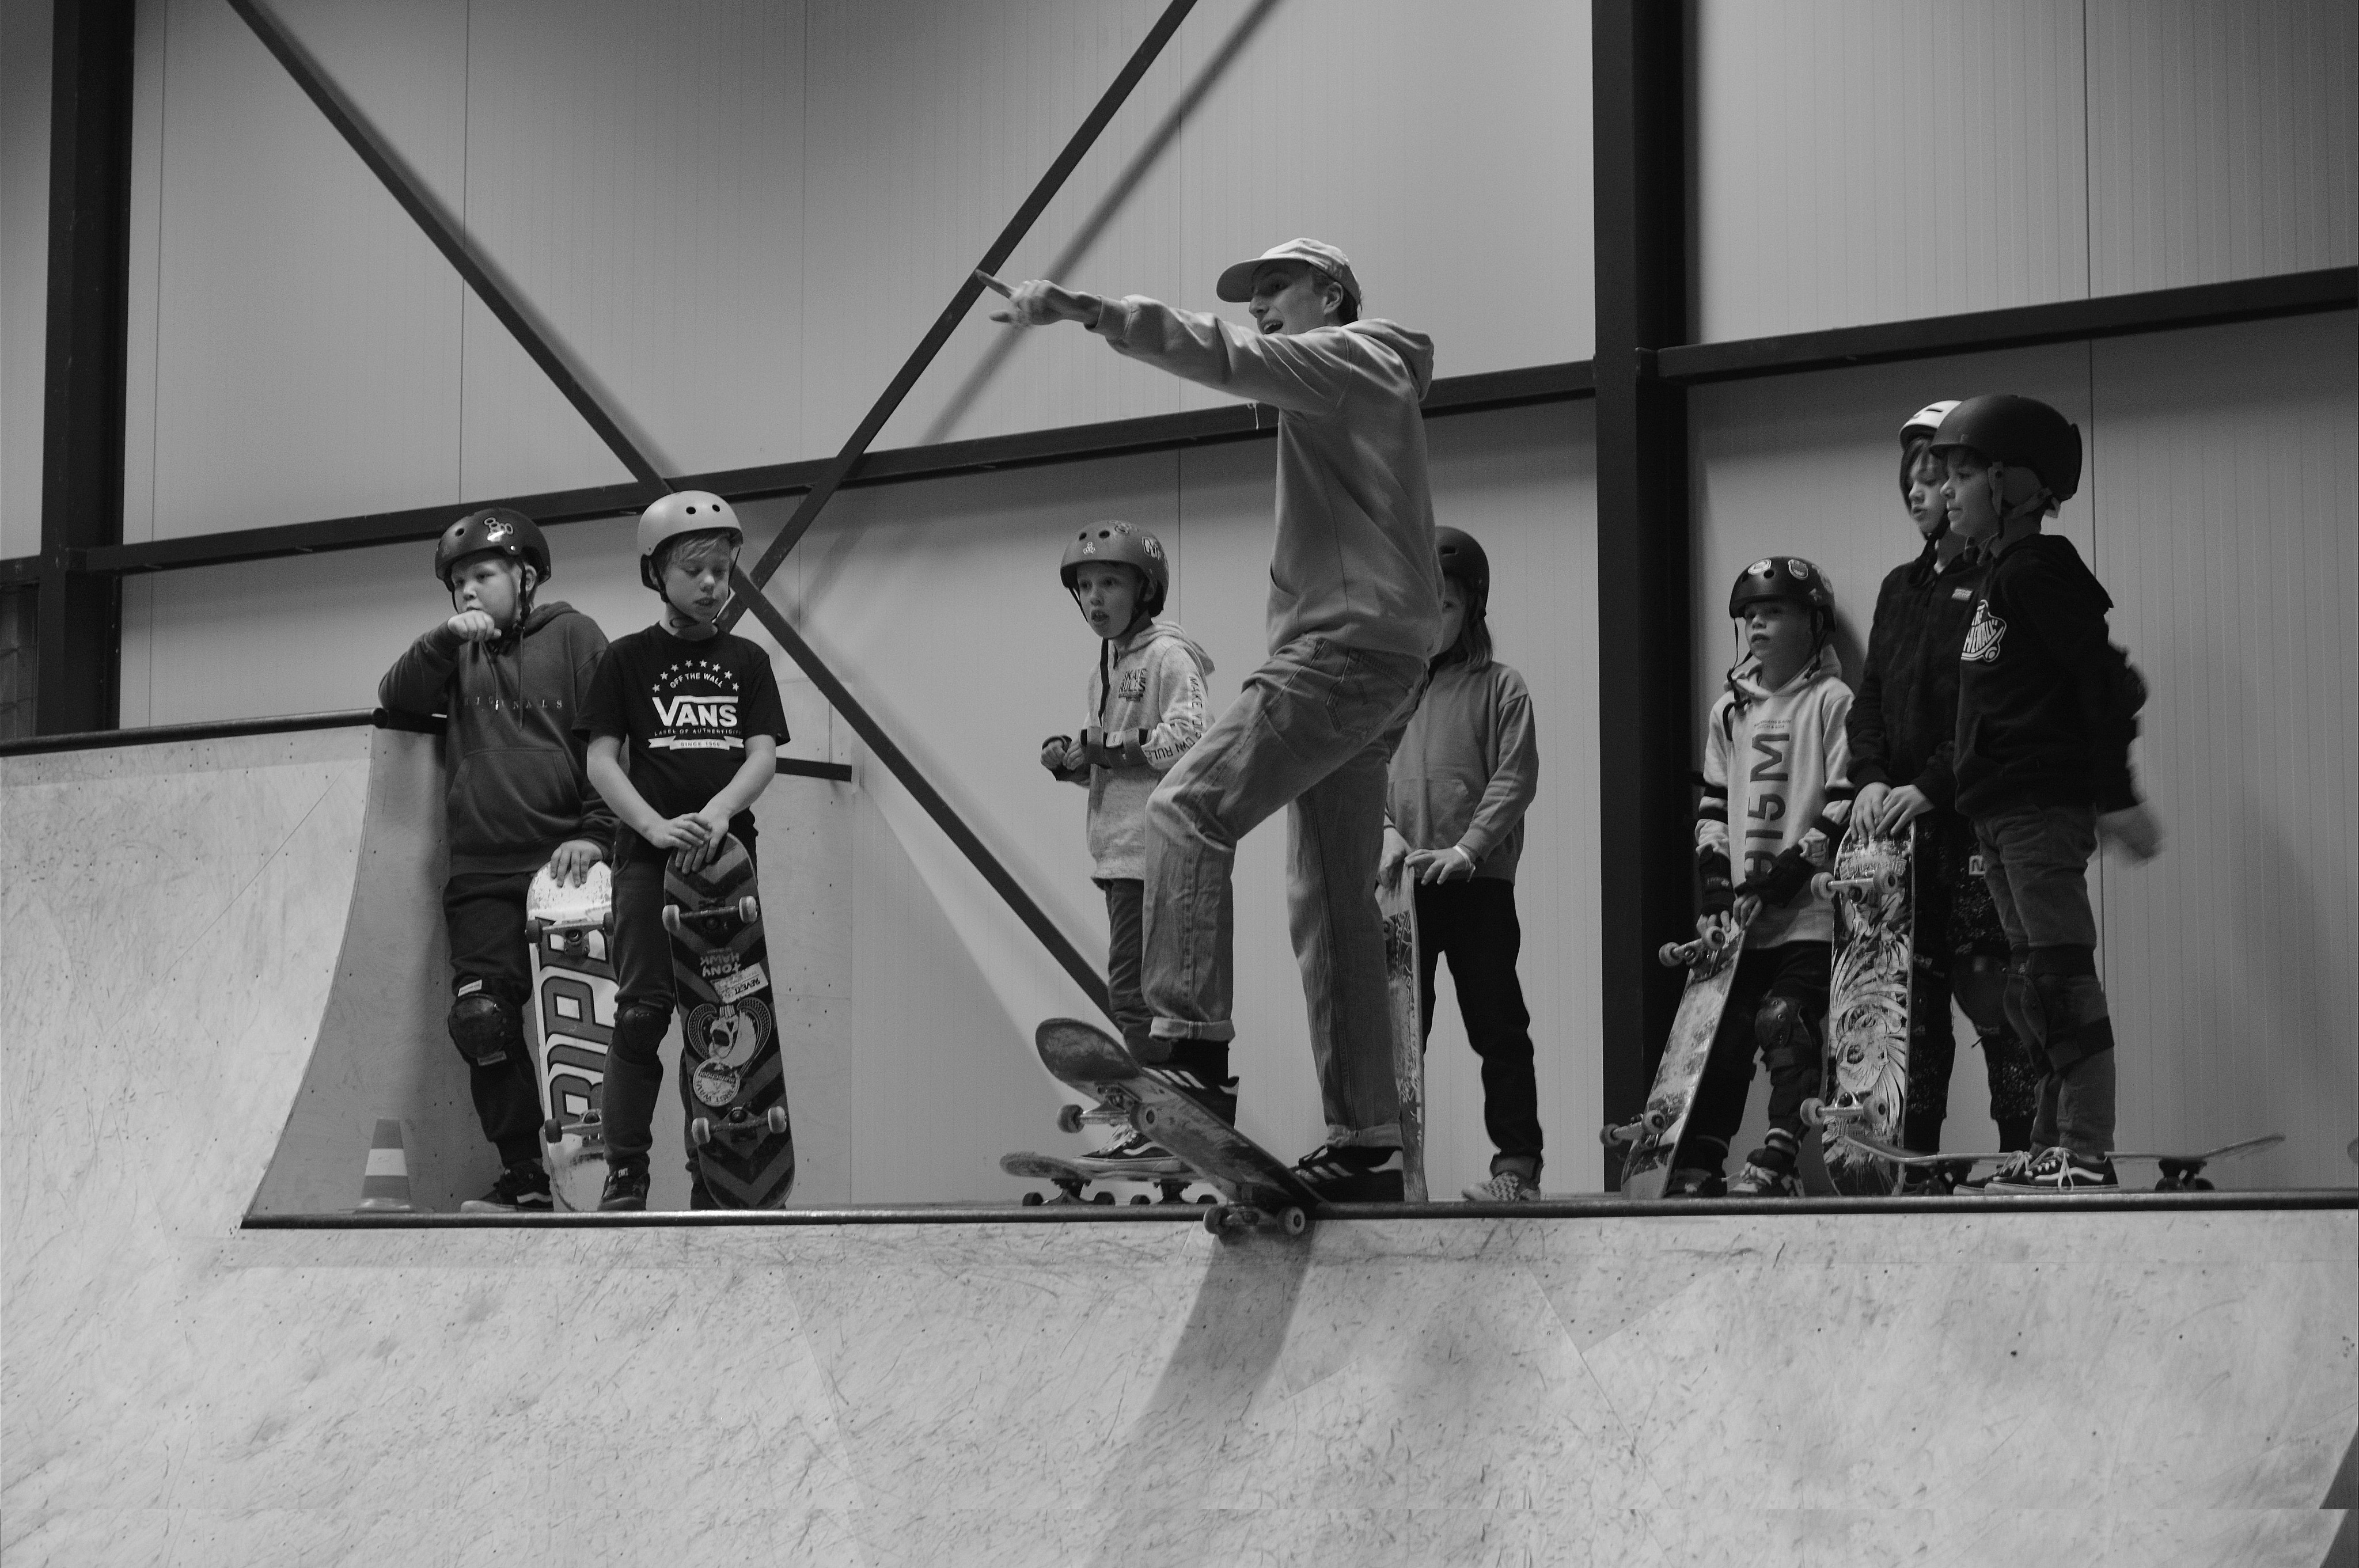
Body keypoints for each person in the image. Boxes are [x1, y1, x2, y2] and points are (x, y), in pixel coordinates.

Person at [990, 239, 1443, 1200]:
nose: (1261, 307)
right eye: (1255, 294)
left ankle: (1192, 1055)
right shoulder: (1346, 393)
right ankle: (1366, 1143)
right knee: (1333, 907)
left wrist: (1088, 311)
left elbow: (1226, 354)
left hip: (1341, 653)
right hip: (1380, 663)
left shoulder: (1354, 357)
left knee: (1187, 807)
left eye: (1275, 289)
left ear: (1333, 293)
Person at [1932, 395, 2160, 1192]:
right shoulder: (1994, 576)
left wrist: (2117, 795)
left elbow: (2103, 682)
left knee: (2058, 975)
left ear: (2017, 483)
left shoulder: (2040, 570)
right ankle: (2048, 1141)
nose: (1946, 489)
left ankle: (2086, 1147)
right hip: (1997, 811)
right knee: (2029, 983)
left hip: (2039, 806)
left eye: (1964, 474)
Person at [378, 507, 614, 1214]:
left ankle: (596, 1174)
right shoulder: (453, 651)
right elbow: (396, 698)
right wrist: (442, 639)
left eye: (483, 575)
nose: (469, 592)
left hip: (565, 868)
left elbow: (610, 743)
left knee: (583, 1025)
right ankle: (524, 1175)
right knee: (481, 1017)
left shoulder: (576, 636)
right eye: (458, 583)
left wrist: (598, 834)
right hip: (480, 868)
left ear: (527, 575)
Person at [579, 491, 788, 1212]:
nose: (712, 584)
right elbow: (602, 761)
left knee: (724, 1021)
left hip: (727, 863)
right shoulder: (626, 660)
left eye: (723, 571)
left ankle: (717, 1171)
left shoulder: (747, 659)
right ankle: (626, 1170)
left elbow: (761, 754)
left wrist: (720, 812)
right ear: (656, 573)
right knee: (644, 1013)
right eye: (696, 569)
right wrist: (655, 827)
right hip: (647, 860)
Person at [1849, 401, 2040, 1176]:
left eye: (1939, 475)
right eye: (1913, 478)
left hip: (1969, 824)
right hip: (1896, 838)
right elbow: (1870, 698)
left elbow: (1986, 705)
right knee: (1909, 1005)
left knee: (1992, 989)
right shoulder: (1901, 586)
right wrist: (1866, 780)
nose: (1923, 491)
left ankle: (2027, 1152)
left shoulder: (2002, 577)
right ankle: (1911, 1163)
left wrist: (1931, 785)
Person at [1675, 558, 1857, 1198]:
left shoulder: (1833, 702)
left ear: (1813, 624)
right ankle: (1700, 1156)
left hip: (1804, 912)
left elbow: (1843, 802)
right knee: (1721, 1042)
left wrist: (1782, 878)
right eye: (1749, 613)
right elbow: (1710, 810)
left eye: (1773, 610)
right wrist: (1718, 890)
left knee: (1785, 1023)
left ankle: (1780, 1153)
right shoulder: (1730, 710)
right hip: (1739, 927)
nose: (1756, 621)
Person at [1038, 520, 1216, 1167]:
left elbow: (1191, 739)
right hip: (1116, 850)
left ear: (1145, 589)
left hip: (1159, 849)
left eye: (1109, 582)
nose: (1094, 597)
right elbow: (1114, 762)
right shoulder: (1106, 668)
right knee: (1135, 995)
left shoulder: (1170, 656)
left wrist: (1106, 749)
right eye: (1084, 586)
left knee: (1141, 995)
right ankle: (1159, 1117)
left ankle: (1159, 1119)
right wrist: (1072, 761)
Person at [1377, 527, 1545, 1202]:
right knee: (1398, 1040)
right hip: (1403, 890)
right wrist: (1386, 831)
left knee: (1498, 1028)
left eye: (1442, 605)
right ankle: (1397, 1170)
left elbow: (1514, 777)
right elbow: (1365, 774)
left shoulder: (1501, 687)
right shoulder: (1392, 692)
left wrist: (1468, 848)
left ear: (1472, 607)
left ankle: (1517, 1167)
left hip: (1476, 885)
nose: (1430, 620)